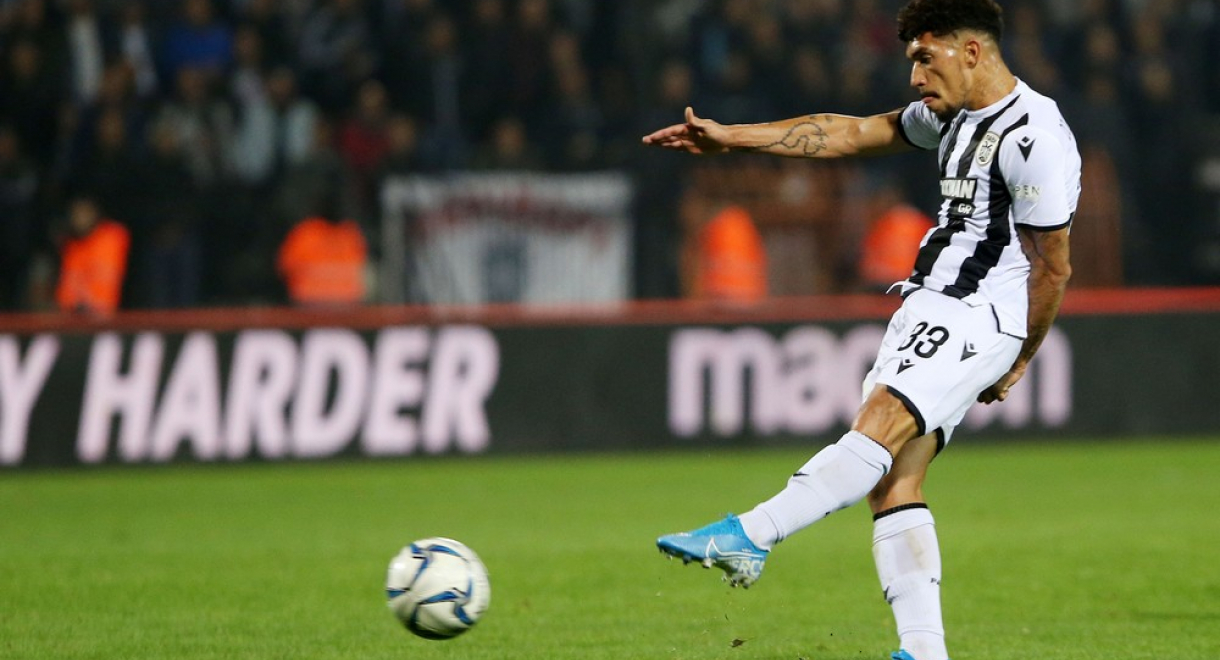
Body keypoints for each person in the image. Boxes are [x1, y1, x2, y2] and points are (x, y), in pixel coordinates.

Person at [641, 2, 1079, 660]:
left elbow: (1053, 266)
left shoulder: (1032, 135)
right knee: (893, 481)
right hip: (930, 302)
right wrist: (732, 138)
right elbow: (849, 133)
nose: (914, 77)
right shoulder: (951, 115)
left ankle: (751, 534)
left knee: (881, 421)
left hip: (981, 311)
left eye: (924, 58)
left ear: (971, 52)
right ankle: (923, 651)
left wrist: (1019, 358)